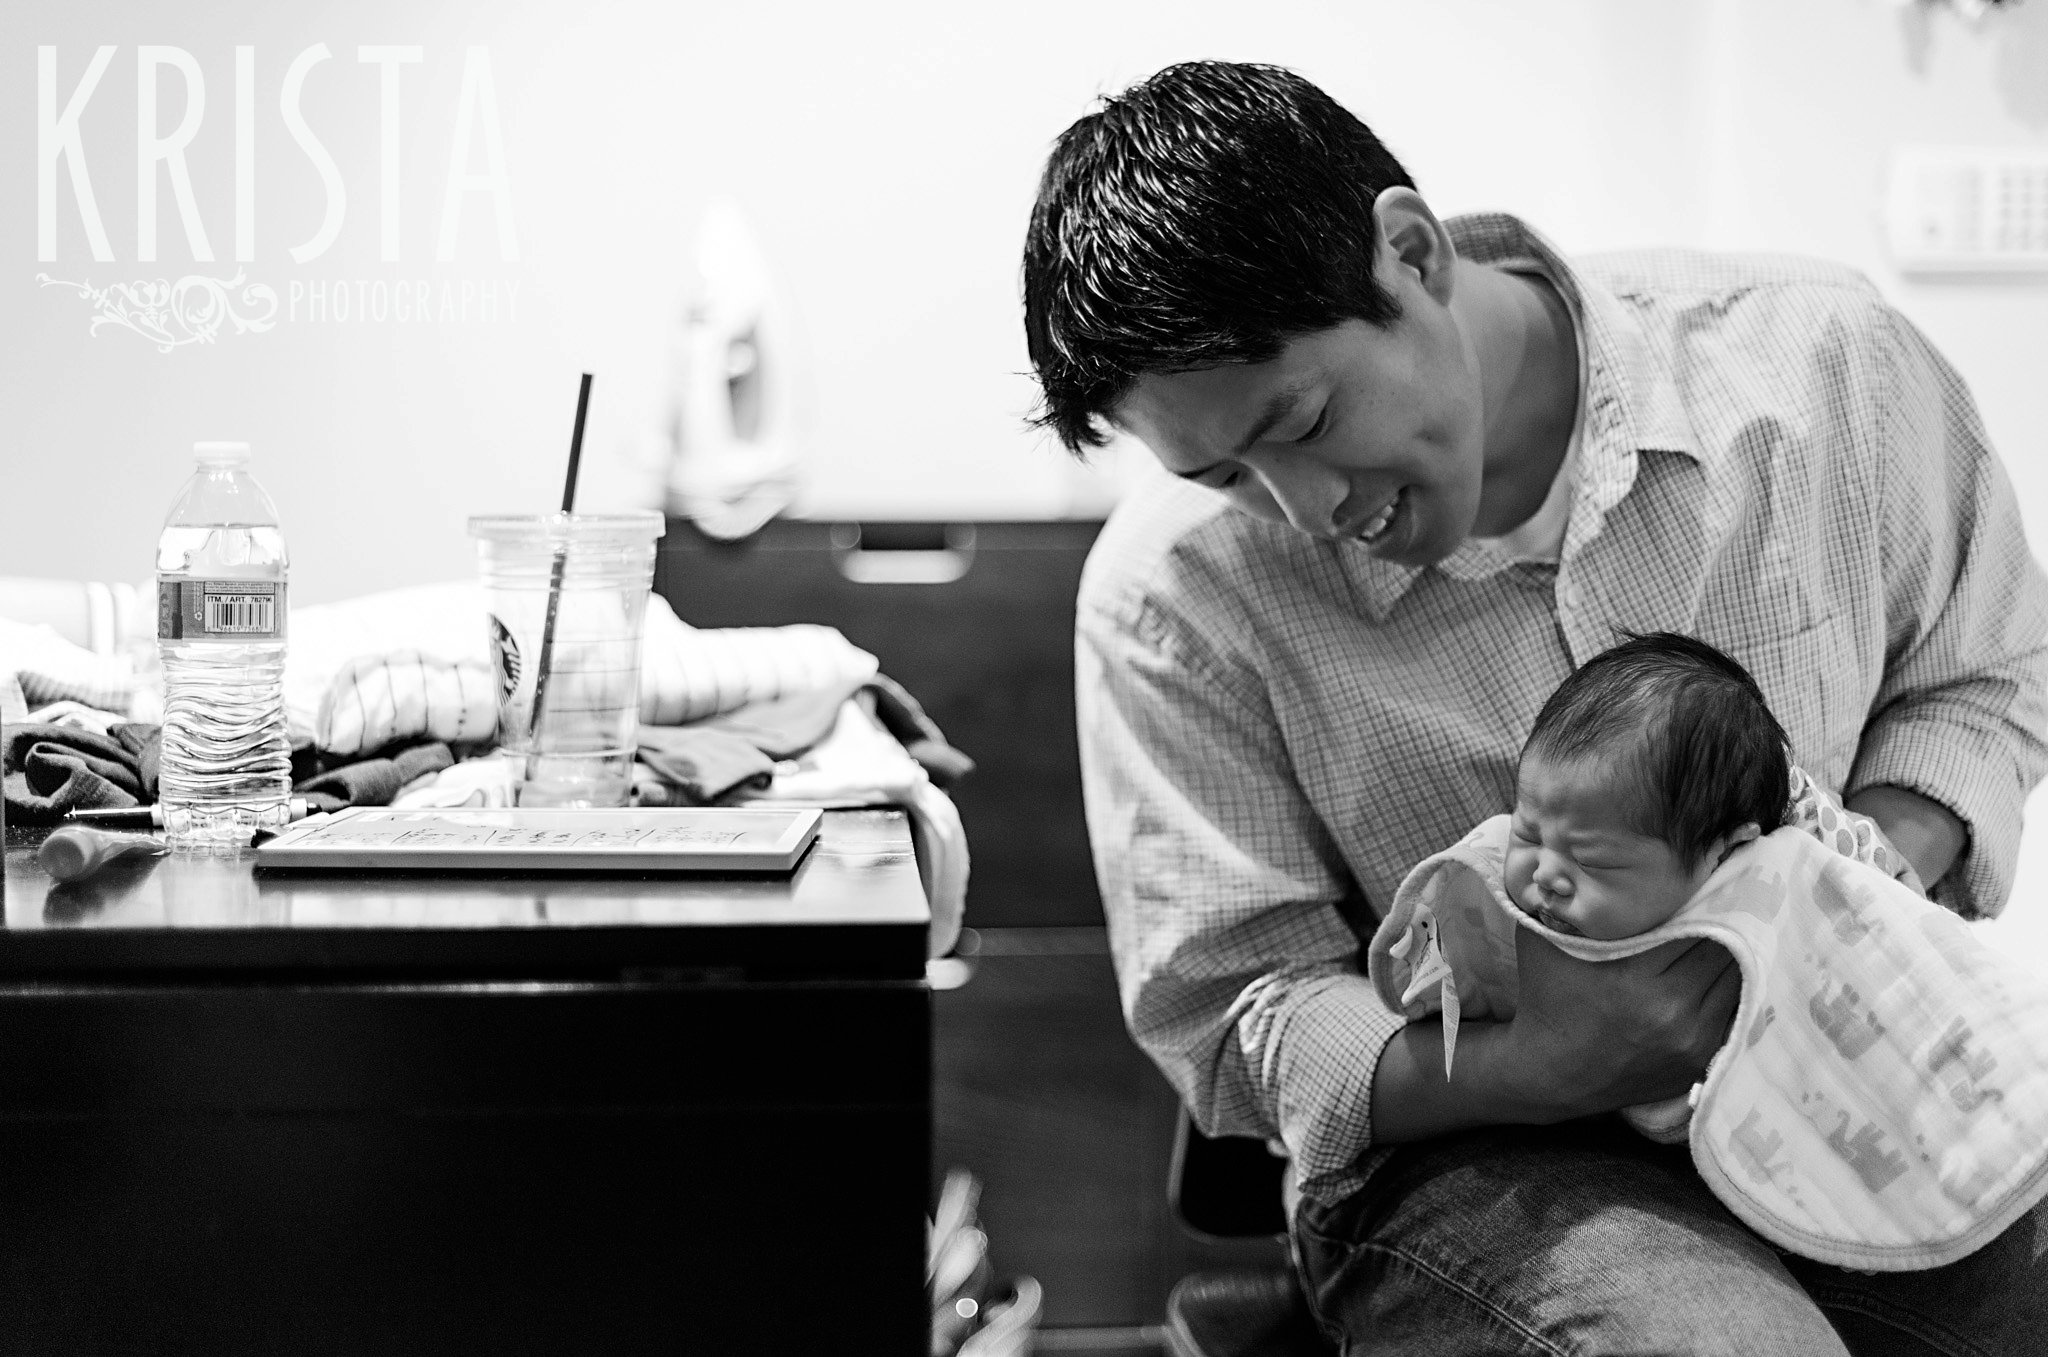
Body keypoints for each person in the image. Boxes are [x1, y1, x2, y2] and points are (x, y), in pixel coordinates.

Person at [1023, 59, 2048, 1352]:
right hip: (1472, 1150)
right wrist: (1556, 1058)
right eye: (1227, 471)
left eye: (1306, 419)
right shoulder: (1172, 598)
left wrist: (1832, 902)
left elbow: (1984, 671)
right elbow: (1248, 1009)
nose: (1306, 509)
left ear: (1408, 253)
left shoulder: (1823, 370)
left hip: (1844, 1059)